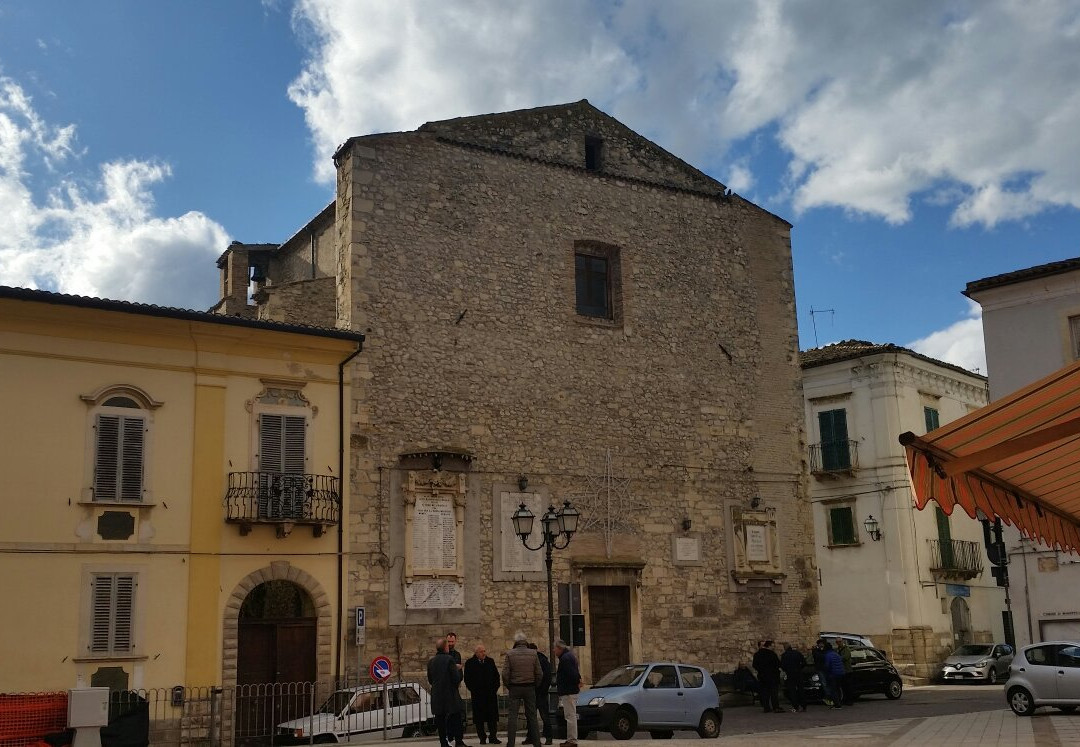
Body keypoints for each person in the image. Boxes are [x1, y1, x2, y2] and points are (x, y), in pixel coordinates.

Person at [502, 631, 542, 747]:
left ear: (516, 642)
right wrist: (535, 685)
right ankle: (537, 743)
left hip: (515, 687)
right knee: (532, 716)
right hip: (529, 687)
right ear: (525, 641)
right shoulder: (533, 654)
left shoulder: (510, 654)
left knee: (512, 716)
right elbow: (539, 673)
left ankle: (510, 743)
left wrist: (509, 685)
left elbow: (505, 674)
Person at [429, 637, 469, 747]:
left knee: (440, 720)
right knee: (456, 717)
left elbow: (430, 680)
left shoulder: (431, 662)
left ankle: (443, 742)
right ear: (445, 647)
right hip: (450, 695)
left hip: (437, 696)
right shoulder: (449, 659)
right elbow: (456, 678)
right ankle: (458, 741)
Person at [464, 644, 501, 745]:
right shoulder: (470, 663)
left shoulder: (490, 661)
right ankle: (482, 737)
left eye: (484, 651)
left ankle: (493, 736)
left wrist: (494, 689)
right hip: (478, 696)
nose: (484, 653)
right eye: (481, 651)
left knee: (492, 717)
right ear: (476, 653)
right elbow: (467, 679)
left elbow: (496, 677)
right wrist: (474, 690)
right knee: (479, 719)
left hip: (490, 695)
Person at [553, 639, 581, 747]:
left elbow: (572, 675)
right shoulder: (568, 656)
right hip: (570, 690)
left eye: (555, 648)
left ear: (559, 648)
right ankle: (571, 739)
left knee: (570, 716)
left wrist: (575, 682)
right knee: (570, 716)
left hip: (569, 691)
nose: (554, 650)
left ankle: (572, 740)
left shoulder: (565, 659)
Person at [524, 643, 553, 745]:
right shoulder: (538, 660)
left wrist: (543, 690)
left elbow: (547, 677)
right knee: (531, 716)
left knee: (543, 715)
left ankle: (548, 737)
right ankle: (531, 736)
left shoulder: (542, 661)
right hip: (534, 692)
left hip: (539, 692)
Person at [752, 640, 782, 713]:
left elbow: (754, 665)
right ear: (769, 646)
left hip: (762, 676)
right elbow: (778, 664)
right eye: (772, 646)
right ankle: (775, 707)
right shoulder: (772, 654)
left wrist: (761, 670)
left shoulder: (757, 654)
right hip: (772, 676)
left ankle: (766, 707)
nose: (773, 647)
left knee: (765, 692)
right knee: (773, 692)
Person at [779, 643, 807, 712]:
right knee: (801, 689)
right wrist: (799, 668)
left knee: (792, 690)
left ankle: (795, 706)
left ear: (785, 648)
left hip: (790, 674)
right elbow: (804, 662)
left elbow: (782, 666)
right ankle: (803, 705)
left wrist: (787, 670)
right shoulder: (797, 653)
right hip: (798, 673)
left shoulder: (784, 655)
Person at [822, 641, 845, 709]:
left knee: (833, 689)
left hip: (833, 674)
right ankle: (839, 702)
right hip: (840, 673)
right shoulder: (836, 654)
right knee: (838, 688)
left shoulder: (828, 655)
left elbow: (827, 665)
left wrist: (826, 672)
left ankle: (837, 704)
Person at [834, 638, 853, 705]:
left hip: (847, 670)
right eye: (837, 642)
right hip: (841, 671)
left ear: (842, 641)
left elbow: (846, 657)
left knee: (848, 686)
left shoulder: (846, 649)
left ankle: (850, 700)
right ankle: (845, 699)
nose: (839, 643)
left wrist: (838, 658)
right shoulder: (837, 649)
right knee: (843, 686)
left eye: (840, 641)